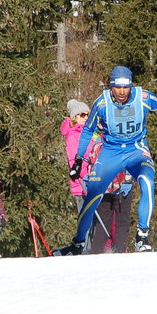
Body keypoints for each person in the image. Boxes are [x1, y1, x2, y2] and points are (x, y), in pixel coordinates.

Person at [54, 65, 157, 255]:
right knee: (93, 195)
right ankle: (77, 244)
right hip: (111, 152)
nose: (121, 92)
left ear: (130, 86)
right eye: (117, 87)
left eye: (125, 87)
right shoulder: (102, 103)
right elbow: (87, 130)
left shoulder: (142, 98)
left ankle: (142, 236)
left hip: (136, 150)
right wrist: (79, 159)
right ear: (111, 86)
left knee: (147, 180)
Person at [61, 98, 96, 252]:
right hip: (82, 183)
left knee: (95, 217)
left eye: (88, 114)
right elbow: (76, 159)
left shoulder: (89, 132)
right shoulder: (74, 134)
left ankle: (93, 247)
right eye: (82, 115)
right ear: (74, 117)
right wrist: (88, 176)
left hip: (94, 180)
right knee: (86, 217)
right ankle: (85, 248)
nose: (86, 117)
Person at [88, 141, 135, 254]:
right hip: (121, 187)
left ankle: (97, 251)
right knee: (122, 221)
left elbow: (91, 166)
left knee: (103, 222)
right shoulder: (125, 143)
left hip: (103, 188)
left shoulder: (98, 145)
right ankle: (119, 251)